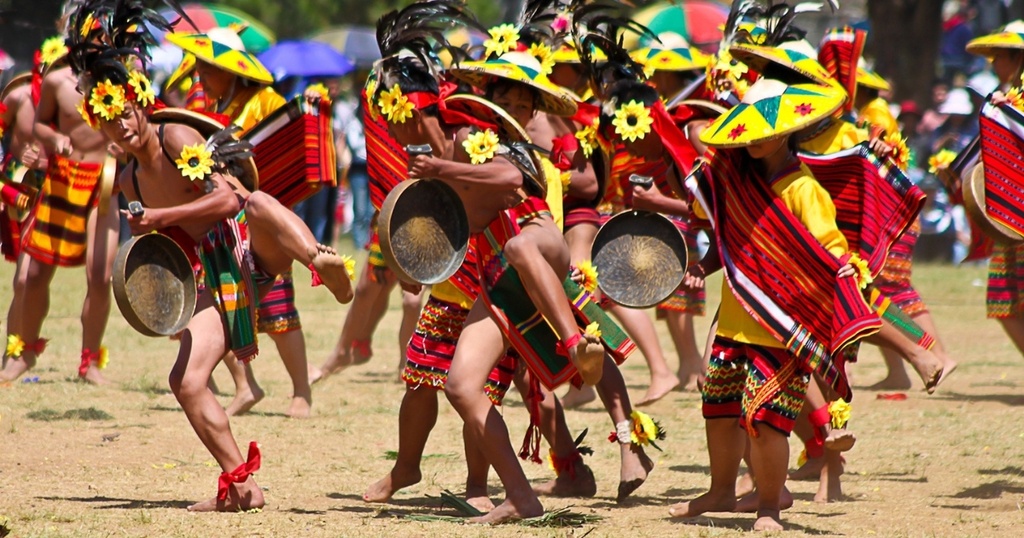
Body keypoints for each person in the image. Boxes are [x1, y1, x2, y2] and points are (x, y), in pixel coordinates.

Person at [63, 1, 353, 510]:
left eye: (125, 112)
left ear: (140, 103)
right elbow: (159, 246)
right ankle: (242, 485)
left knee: (261, 202)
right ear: (101, 129)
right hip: (211, 282)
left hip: (247, 248)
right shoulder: (128, 179)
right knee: (186, 379)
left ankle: (319, 259)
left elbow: (232, 198)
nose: (122, 126)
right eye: (109, 122)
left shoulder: (177, 136)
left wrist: (160, 218)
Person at [667, 76, 871, 531]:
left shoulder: (804, 190)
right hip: (735, 321)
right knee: (719, 411)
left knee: (766, 421)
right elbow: (733, 240)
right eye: (750, 132)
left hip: (782, 328)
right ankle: (720, 490)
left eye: (765, 131)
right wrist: (704, 263)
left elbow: (829, 253)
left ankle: (768, 507)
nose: (755, 141)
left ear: (785, 131)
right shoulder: (741, 185)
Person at [166, 26, 325, 417]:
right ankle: (246, 385)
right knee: (219, 303)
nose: (200, 76)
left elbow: (283, 146)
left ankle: (301, 391)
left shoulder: (264, 100)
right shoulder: (206, 106)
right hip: (222, 219)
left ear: (231, 71)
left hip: (263, 217)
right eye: (199, 69)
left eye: (208, 68)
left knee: (277, 308)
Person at [1, 33, 119, 385]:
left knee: (100, 276)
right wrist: (53, 140)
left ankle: (90, 362)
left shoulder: (123, 80)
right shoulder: (57, 80)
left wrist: (124, 146)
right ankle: (23, 353)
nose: (99, 44)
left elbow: (141, 126)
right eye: (92, 37)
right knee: (34, 276)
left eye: (105, 37)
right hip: (62, 180)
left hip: (104, 185)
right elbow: (39, 124)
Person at [964, 20, 1024, 355]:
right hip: (1013, 210)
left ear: (1017, 57)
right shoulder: (1011, 98)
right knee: (1004, 300)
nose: (993, 63)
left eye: (998, 56)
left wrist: (1011, 113)